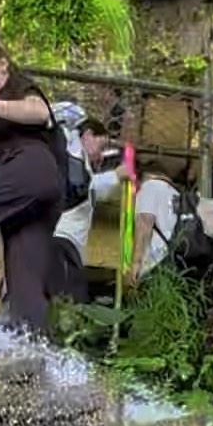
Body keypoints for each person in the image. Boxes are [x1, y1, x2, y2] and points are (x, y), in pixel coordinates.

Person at [0, 40, 68, 331]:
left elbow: (40, 112)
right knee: (25, 282)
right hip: (28, 201)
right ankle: (34, 352)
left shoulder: (17, 88)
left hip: (32, 168)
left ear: (3, 64)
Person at [53, 117, 119, 305]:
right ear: (88, 136)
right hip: (63, 239)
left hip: (68, 243)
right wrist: (115, 176)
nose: (101, 154)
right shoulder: (73, 155)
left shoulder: (79, 160)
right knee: (70, 300)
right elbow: (79, 190)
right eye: (102, 146)